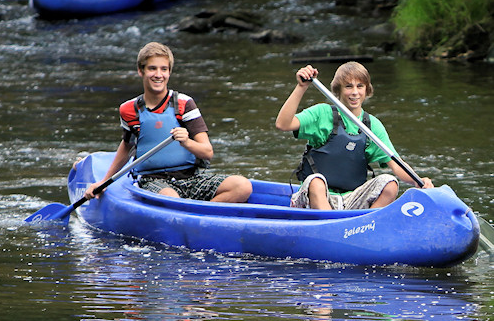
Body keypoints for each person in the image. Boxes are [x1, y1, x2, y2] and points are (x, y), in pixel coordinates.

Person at [84, 42, 252, 203]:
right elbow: (127, 146)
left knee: (242, 186)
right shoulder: (129, 110)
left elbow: (207, 152)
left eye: (164, 69)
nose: (158, 74)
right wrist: (104, 182)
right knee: (171, 198)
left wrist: (186, 142)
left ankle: (199, 216)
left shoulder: (185, 104)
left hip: (191, 177)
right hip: (153, 181)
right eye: (152, 68)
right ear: (140, 71)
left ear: (169, 72)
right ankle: (188, 213)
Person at [275, 62, 433, 210]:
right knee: (316, 182)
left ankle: (365, 225)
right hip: (315, 197)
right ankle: (331, 225)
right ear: (338, 90)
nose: (355, 92)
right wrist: (301, 87)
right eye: (348, 86)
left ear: (367, 90)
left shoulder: (372, 126)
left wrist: (418, 181)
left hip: (351, 199)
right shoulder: (322, 113)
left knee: (389, 182)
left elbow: (396, 164)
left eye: (360, 86)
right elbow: (283, 124)